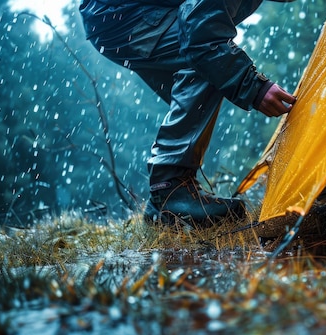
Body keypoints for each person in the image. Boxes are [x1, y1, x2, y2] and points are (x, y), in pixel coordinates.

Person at [78, 0, 297, 226]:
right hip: (121, 15)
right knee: (209, 61)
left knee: (208, 62)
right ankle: (171, 189)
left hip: (120, 15)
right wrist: (254, 87)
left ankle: (163, 206)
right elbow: (202, 38)